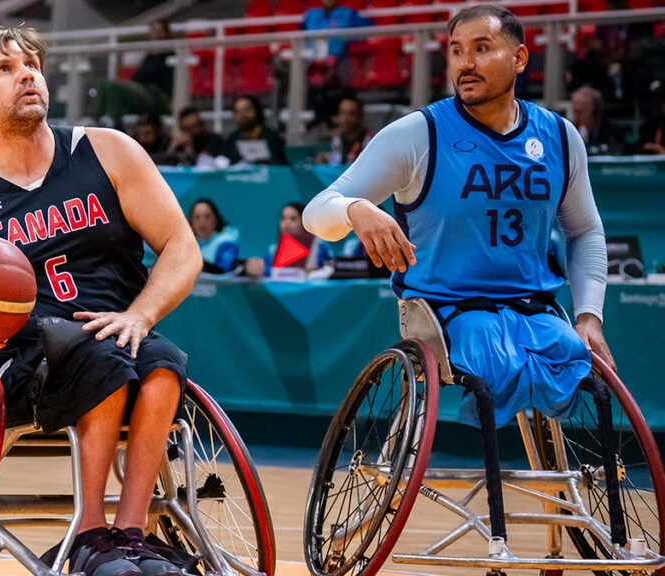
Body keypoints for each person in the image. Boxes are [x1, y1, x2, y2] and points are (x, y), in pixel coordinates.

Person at [303, 5, 621, 547]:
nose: (465, 63)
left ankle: (598, 528)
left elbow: (586, 232)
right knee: (492, 367)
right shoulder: (418, 134)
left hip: (534, 308)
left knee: (580, 360)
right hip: (447, 313)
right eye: (456, 50)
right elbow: (320, 208)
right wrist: (357, 210)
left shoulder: (560, 138)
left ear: (519, 58)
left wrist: (589, 315)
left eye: (480, 48)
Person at [0, 26, 203, 576]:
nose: (26, 74)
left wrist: (141, 313)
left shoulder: (107, 151)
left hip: (117, 331)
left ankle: (132, 533)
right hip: (27, 362)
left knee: (163, 363)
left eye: (32, 65)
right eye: (4, 69)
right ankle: (91, 534)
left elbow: (183, 248)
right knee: (102, 359)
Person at [95, 19, 174, 129]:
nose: (155, 34)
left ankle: (111, 121)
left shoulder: (171, 53)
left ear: (166, 32)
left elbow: (163, 81)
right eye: (152, 30)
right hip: (143, 91)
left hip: (156, 95)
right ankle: (100, 119)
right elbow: (139, 76)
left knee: (115, 87)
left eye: (158, 30)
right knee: (105, 85)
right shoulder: (149, 55)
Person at [188, 198, 264, 277]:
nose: (202, 222)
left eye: (207, 216)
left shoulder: (225, 242)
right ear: (191, 222)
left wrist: (244, 266)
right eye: (197, 217)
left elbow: (226, 266)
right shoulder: (190, 246)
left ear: (216, 219)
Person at [264, 202, 334, 278]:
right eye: (283, 218)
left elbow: (330, 269)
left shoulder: (318, 246)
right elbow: (267, 272)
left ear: (304, 222)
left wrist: (312, 275)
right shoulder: (273, 249)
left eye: (293, 219)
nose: (287, 223)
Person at [224, 95, 287, 165]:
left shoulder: (272, 136)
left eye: (247, 109)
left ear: (257, 111)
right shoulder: (233, 138)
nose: (242, 114)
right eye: (238, 111)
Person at [314, 95, 371, 165]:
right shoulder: (336, 139)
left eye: (351, 114)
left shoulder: (369, 144)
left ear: (360, 117)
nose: (345, 119)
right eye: (342, 113)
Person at [569, 86, 616, 155]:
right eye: (574, 111)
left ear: (594, 111)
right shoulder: (569, 131)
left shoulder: (611, 132)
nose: (576, 117)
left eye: (580, 112)